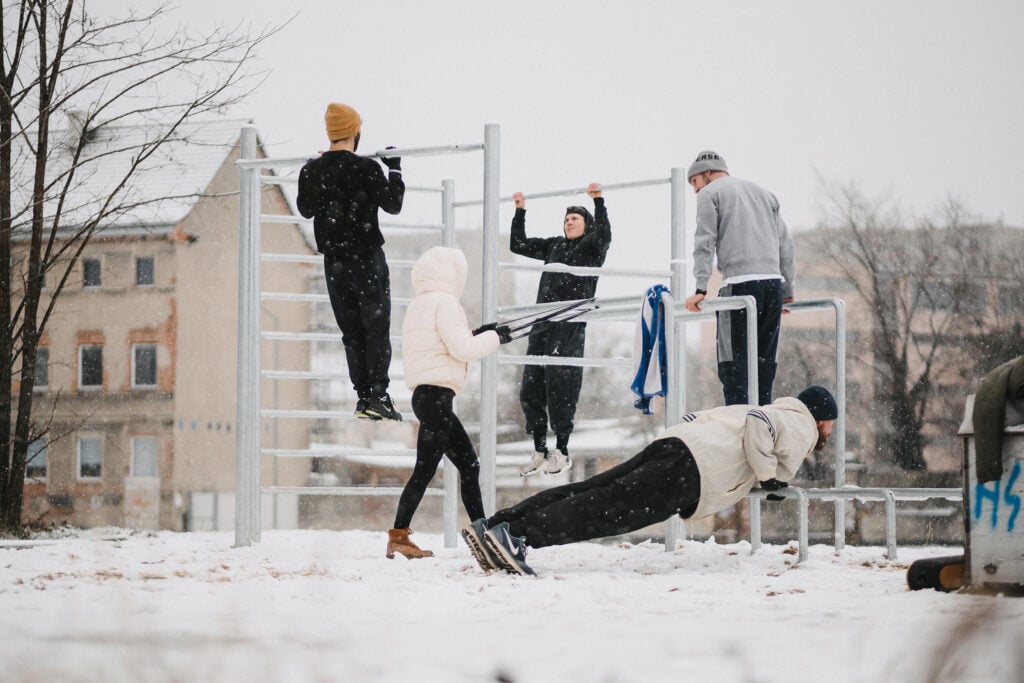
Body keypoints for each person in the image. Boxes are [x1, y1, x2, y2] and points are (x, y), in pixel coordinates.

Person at [461, 386, 838, 575]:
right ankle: (517, 537)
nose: (828, 434)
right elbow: (763, 426)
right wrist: (770, 477)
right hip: (693, 469)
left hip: (675, 444)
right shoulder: (801, 422)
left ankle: (500, 524)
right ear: (822, 418)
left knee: (593, 490)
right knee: (605, 511)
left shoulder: (766, 407)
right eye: (830, 427)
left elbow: (697, 417)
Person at [386, 247, 513, 559]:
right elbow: (463, 349)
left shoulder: (418, 305)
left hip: (425, 397)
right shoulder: (446, 303)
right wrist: (496, 339)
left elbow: (442, 344)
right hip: (437, 398)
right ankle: (483, 534)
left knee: (443, 468)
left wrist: (481, 333)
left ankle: (401, 534)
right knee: (459, 467)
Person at [297, 102, 405, 421]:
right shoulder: (366, 169)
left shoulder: (311, 170)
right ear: (355, 132)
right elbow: (393, 204)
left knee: (352, 331)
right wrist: (394, 168)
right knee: (376, 327)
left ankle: (363, 397)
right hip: (366, 258)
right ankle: (379, 394)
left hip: (334, 263)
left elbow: (305, 209)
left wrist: (313, 171)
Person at [511, 182, 611, 477]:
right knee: (530, 386)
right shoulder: (554, 245)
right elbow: (518, 244)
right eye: (566, 219)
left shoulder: (592, 247)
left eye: (575, 219)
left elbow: (605, 233)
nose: (569, 222)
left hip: (568, 323)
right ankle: (539, 448)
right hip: (542, 321)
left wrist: (599, 202)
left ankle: (562, 450)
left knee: (560, 386)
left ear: (587, 225)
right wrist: (520, 212)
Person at [683, 150, 795, 407]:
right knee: (764, 367)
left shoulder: (711, 194)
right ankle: (762, 425)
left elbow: (704, 241)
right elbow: (786, 244)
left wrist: (701, 287)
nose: (695, 190)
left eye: (695, 183)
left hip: (740, 287)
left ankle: (741, 427)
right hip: (772, 286)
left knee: (734, 366)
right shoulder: (764, 194)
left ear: (708, 173)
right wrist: (787, 291)